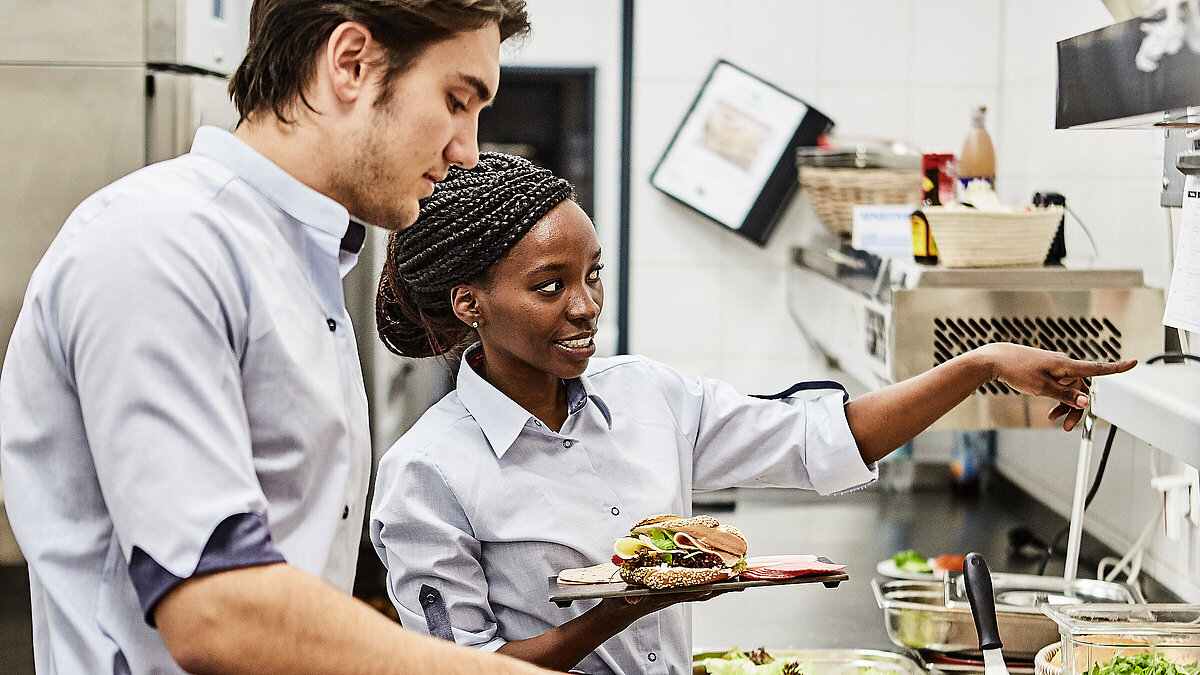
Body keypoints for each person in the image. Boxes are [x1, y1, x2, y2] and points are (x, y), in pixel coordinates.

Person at [368, 153, 1137, 674]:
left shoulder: (647, 397)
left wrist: (981, 364)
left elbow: (823, 438)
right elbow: (463, 668)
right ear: (471, 302)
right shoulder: (428, 472)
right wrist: (626, 607)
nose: (587, 306)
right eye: (549, 285)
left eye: (594, 274)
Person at [0, 2, 556, 674]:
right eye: (457, 100)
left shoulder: (302, 264)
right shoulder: (160, 243)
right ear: (350, 64)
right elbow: (219, 609)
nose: (467, 150)